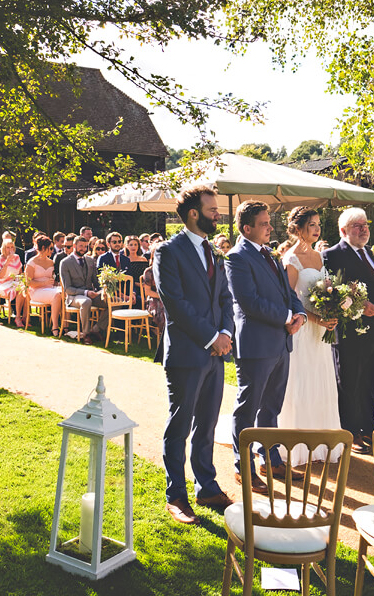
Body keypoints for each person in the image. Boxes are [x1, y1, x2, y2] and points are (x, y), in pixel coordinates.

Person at [153, 185, 235, 524]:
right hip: (188, 353)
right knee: (180, 425)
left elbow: (225, 298)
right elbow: (176, 306)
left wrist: (227, 333)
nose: (218, 215)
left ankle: (207, 486)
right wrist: (211, 337)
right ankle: (177, 495)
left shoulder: (214, 251)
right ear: (193, 214)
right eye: (213, 210)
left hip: (217, 354)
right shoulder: (167, 252)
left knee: (208, 423)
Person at [225, 199, 307, 494]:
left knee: (271, 407)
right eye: (264, 223)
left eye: (269, 222)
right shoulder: (236, 258)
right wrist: (287, 316)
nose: (270, 227)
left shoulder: (271, 253)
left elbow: (288, 292)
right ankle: (242, 467)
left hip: (281, 342)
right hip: (256, 344)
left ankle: (269, 459)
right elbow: (249, 302)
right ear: (247, 228)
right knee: (247, 409)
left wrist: (300, 313)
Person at [322, 208, 374, 454]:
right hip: (351, 332)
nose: (364, 229)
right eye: (357, 225)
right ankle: (350, 431)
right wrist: (357, 305)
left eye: (366, 224)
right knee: (349, 382)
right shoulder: (332, 255)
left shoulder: (371, 253)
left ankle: (368, 427)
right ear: (343, 230)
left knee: (370, 382)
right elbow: (331, 291)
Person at [278, 207, 343, 467]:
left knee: (321, 380)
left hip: (321, 332)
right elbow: (290, 299)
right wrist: (316, 318)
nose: (317, 229)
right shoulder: (290, 258)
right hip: (303, 330)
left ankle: (321, 443)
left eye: (318, 224)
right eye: (312, 224)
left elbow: (326, 290)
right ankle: (298, 447)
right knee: (301, 382)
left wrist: (335, 309)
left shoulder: (319, 256)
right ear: (298, 227)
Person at [60, 236, 107, 343]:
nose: (83, 249)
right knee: (86, 301)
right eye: (81, 246)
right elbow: (67, 289)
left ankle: (96, 330)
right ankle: (85, 334)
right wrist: (86, 293)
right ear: (74, 246)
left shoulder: (90, 260)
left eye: (85, 246)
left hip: (91, 294)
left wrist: (102, 290)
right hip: (74, 296)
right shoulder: (65, 262)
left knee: (114, 301)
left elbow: (96, 282)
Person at [25, 236, 63, 336]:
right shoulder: (31, 263)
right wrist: (43, 283)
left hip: (50, 289)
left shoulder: (51, 262)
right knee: (57, 295)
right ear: (43, 248)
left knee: (64, 292)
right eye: (50, 248)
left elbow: (53, 279)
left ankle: (65, 325)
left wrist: (55, 283)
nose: (52, 251)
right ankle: (55, 326)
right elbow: (28, 283)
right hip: (36, 291)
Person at [0, 239, 28, 327]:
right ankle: (18, 317)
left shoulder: (17, 257)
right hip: (3, 284)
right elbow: (0, 276)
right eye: (7, 247)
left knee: (26, 289)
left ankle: (25, 317)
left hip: (15, 282)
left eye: (12, 247)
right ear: (3, 248)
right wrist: (7, 261)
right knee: (20, 290)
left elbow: (20, 273)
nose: (10, 250)